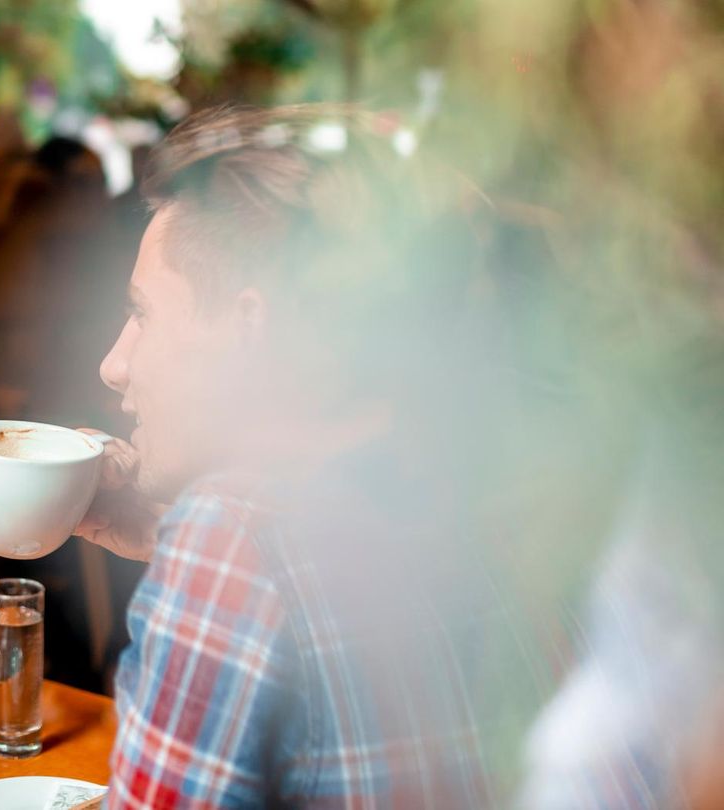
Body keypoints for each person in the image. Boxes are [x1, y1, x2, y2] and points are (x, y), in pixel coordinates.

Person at [75, 105, 567, 806]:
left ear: (247, 326)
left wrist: (211, 561)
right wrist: (170, 540)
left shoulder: (229, 535)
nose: (113, 365)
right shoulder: (494, 476)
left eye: (144, 314)